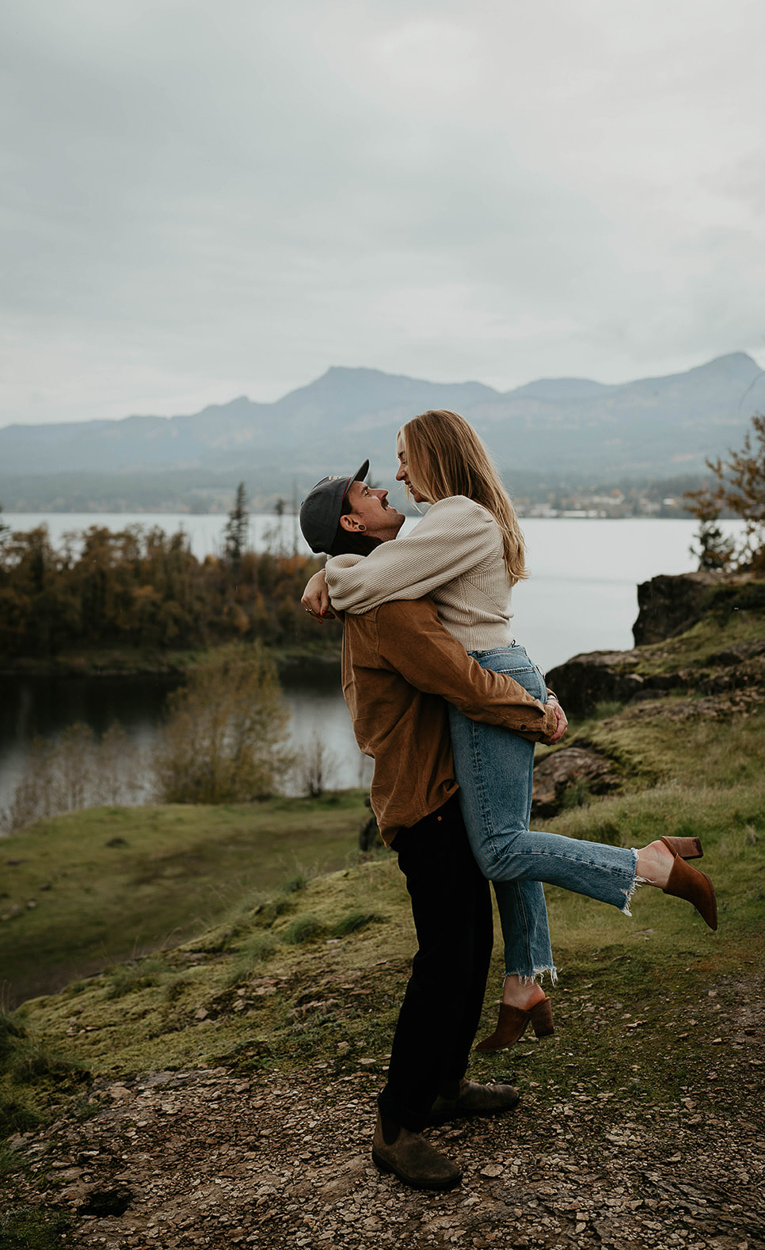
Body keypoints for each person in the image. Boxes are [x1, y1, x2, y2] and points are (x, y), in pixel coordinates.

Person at [301, 412, 717, 1050]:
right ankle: (524, 981)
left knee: (496, 847)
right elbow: (383, 569)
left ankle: (645, 864)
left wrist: (327, 576)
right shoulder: (450, 520)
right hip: (497, 663)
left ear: (436, 456)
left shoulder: (458, 516)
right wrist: (326, 571)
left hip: (486, 675)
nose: (398, 474)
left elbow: (375, 580)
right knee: (507, 840)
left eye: (405, 457)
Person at [298, 464, 567, 1191]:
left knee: (469, 943)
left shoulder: (382, 577)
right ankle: (397, 1122)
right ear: (351, 523)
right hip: (424, 798)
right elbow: (457, 675)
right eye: (366, 494)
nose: (382, 490)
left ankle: (444, 1085)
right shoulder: (388, 607)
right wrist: (533, 713)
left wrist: (324, 570)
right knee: (444, 957)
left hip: (438, 786)